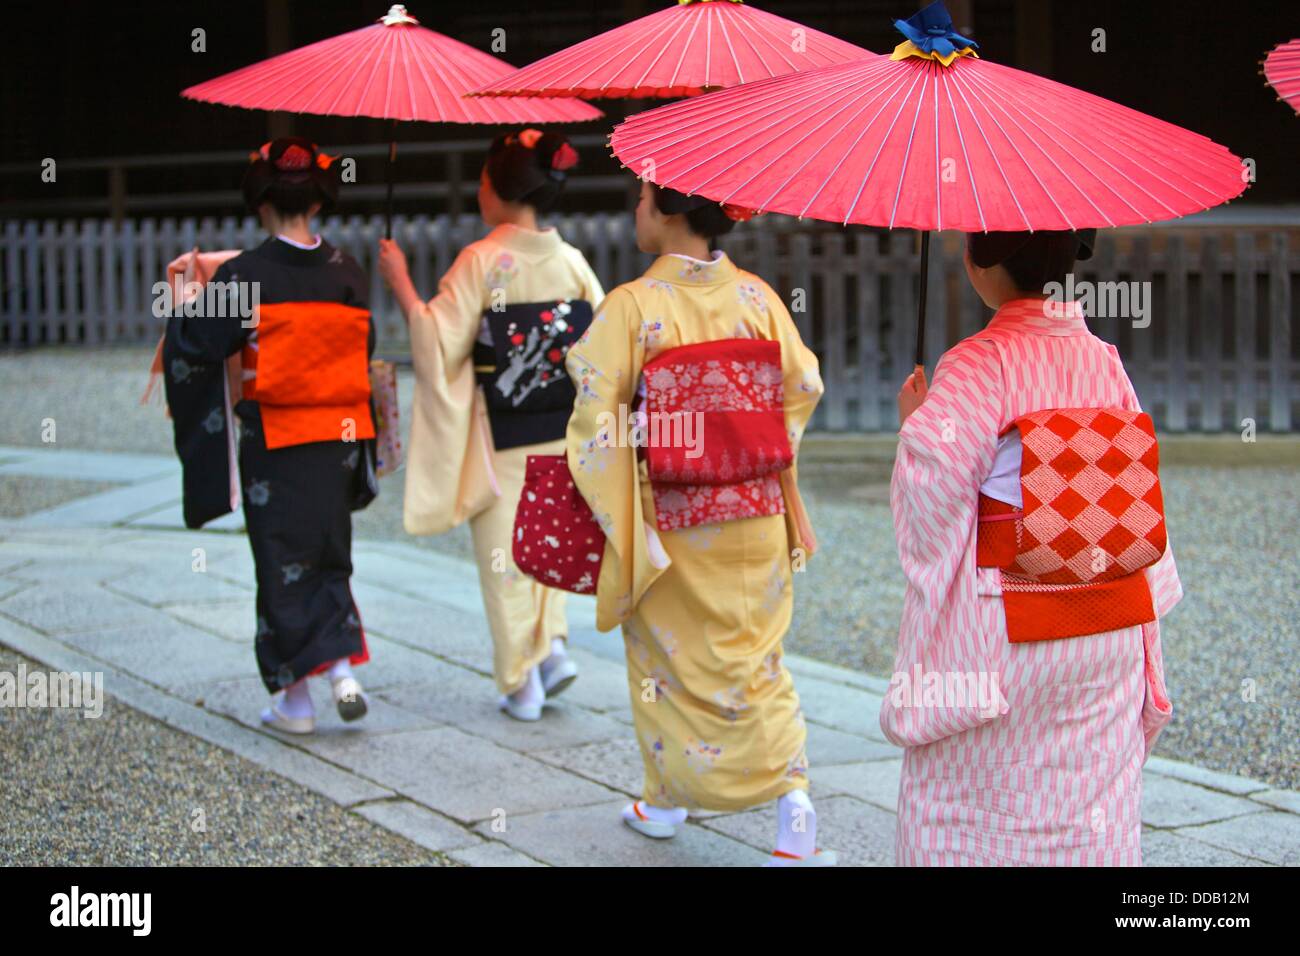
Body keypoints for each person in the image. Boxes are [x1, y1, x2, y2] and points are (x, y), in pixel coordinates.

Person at [885, 229, 1182, 865]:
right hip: (1109, 625)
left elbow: (931, 512)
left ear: (980, 262)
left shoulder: (975, 362)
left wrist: (916, 429)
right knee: (1087, 787)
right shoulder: (1104, 359)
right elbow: (1131, 496)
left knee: (968, 794)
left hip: (1011, 632)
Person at [563, 179, 832, 865]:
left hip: (674, 518)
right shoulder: (756, 298)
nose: (636, 210)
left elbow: (597, 406)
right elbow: (802, 384)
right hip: (758, 513)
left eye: (642, 198)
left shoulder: (633, 306)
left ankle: (665, 796)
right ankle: (791, 805)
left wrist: (652, 432)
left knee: (667, 661)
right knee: (755, 656)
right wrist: (746, 444)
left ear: (671, 211)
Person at [378, 129, 604, 722]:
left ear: (498, 189)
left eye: (481, 179)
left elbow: (435, 343)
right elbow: (599, 344)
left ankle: (520, 681)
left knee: (505, 553)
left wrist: (400, 281)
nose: (478, 189)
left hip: (500, 433)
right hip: (558, 427)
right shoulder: (571, 259)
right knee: (549, 539)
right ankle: (552, 648)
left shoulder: (482, 260)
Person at [163, 136, 376, 734]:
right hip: (338, 436)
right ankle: (342, 671)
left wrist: (184, 298)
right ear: (319, 198)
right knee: (330, 550)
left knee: (282, 557)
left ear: (260, 198)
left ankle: (298, 702)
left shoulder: (245, 275)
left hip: (276, 439)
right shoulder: (349, 273)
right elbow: (365, 350)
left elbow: (195, 347)